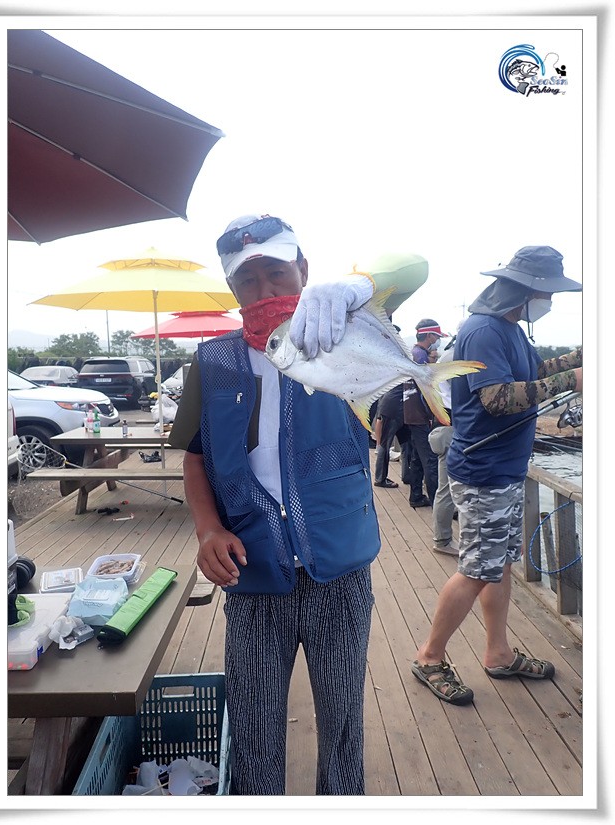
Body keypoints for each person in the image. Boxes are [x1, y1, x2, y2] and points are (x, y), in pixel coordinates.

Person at [169, 213, 428, 794]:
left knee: (342, 719)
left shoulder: (341, 335)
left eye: (278, 274)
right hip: (253, 572)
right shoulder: (211, 363)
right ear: (231, 287)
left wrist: (354, 288)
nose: (264, 291)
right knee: (254, 726)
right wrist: (207, 529)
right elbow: (194, 457)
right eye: (247, 280)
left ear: (304, 271)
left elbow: (415, 266)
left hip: (339, 571)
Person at [411, 245, 582, 705]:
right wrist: (572, 381)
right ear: (524, 291)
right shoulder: (484, 330)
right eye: (547, 293)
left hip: (503, 470)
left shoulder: (510, 329)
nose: (550, 302)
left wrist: (575, 360)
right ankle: (429, 657)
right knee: (475, 569)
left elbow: (532, 372)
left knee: (498, 564)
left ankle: (498, 653)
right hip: (484, 472)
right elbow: (498, 399)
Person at [402, 319, 447, 508]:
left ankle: (416, 496)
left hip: (411, 412)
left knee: (417, 458)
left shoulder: (414, 353)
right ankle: (438, 503)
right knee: (430, 459)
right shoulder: (421, 357)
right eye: (436, 336)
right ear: (429, 336)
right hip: (420, 414)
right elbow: (424, 390)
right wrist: (431, 413)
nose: (437, 340)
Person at [428, 321, 464, 555]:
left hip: (441, 426)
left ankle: (443, 538)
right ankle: (442, 540)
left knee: (445, 489)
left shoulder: (446, 356)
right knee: (447, 490)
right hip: (451, 429)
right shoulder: (456, 359)